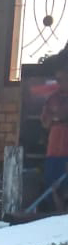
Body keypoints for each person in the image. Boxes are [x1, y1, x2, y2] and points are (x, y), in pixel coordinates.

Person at [40, 56, 68, 210]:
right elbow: (45, 122)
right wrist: (57, 119)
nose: (60, 83)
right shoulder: (52, 99)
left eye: (63, 79)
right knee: (52, 185)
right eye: (58, 80)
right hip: (53, 149)